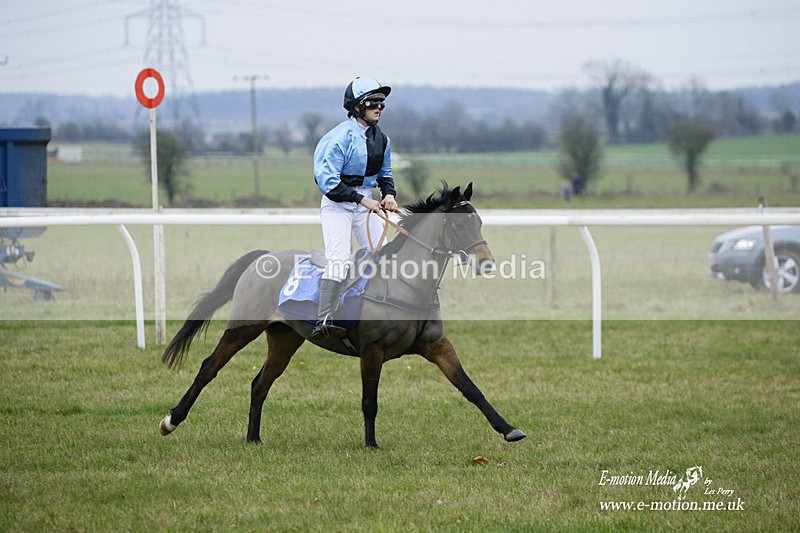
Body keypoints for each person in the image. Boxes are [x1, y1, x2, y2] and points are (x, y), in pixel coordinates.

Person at [310, 76, 398, 339]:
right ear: (357, 106)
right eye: (373, 102)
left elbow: (386, 173)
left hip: (365, 202)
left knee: (383, 255)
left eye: (382, 103)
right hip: (338, 205)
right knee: (339, 257)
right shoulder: (338, 138)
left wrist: (389, 194)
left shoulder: (382, 139)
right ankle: (323, 319)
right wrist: (363, 200)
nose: (379, 107)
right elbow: (328, 183)